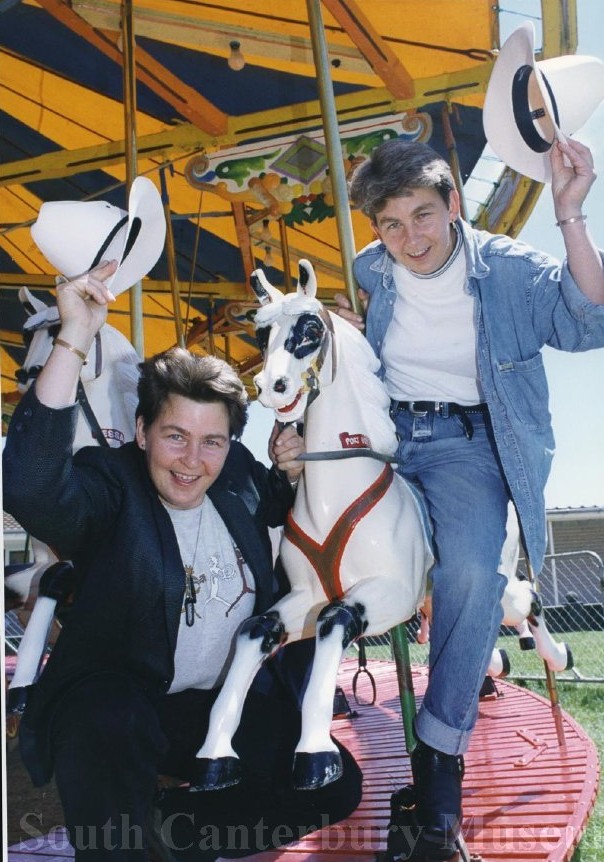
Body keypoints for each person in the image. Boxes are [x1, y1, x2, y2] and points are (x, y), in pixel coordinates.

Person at [3, 259, 362, 861]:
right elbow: (31, 487)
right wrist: (72, 340)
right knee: (108, 731)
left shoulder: (236, 476)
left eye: (212, 441)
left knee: (334, 786)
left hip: (207, 704)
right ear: (141, 431)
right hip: (117, 697)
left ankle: (177, 829)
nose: (192, 461)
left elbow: (278, 499)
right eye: (175, 436)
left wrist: (290, 463)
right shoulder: (110, 484)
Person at [334, 133, 604, 860]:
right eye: (391, 225)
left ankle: (436, 780)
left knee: (469, 572)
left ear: (452, 205)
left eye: (422, 216)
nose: (410, 239)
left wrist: (569, 214)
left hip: (463, 446)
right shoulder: (372, 272)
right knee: (289, 520)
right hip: (381, 436)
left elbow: (592, 320)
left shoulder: (508, 270)